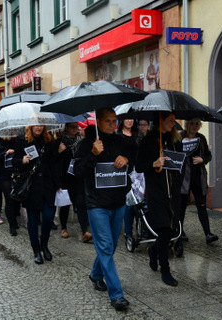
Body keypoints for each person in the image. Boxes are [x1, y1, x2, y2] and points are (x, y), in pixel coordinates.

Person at [74, 107, 131, 310]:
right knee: (106, 247)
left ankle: (96, 274)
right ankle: (116, 294)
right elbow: (78, 172)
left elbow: (131, 165)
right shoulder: (85, 145)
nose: (112, 124)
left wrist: (126, 161)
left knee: (112, 246)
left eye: (114, 120)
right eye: (107, 121)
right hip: (96, 204)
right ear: (97, 122)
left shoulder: (121, 141)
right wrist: (93, 154)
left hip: (118, 202)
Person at [136, 112, 182, 286]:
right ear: (160, 120)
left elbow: (180, 163)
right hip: (157, 193)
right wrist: (153, 164)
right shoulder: (148, 141)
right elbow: (139, 166)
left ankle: (154, 249)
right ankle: (166, 270)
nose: (173, 123)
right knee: (163, 230)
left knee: (171, 231)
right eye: (170, 120)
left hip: (174, 193)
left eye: (173, 119)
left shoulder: (176, 140)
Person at [11, 125, 59, 264]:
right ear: (30, 126)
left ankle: (44, 244)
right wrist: (22, 161)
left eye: (41, 125)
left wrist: (58, 184)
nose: (38, 127)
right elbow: (14, 160)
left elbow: (54, 163)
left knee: (49, 216)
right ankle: (36, 249)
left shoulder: (49, 140)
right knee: (32, 219)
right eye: (36, 124)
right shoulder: (22, 140)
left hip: (47, 185)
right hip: (31, 186)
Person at [179, 118, 218, 244]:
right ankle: (180, 232)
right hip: (183, 177)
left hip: (198, 177)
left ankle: (208, 234)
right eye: (191, 123)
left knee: (201, 205)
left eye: (197, 124)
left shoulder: (201, 138)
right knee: (181, 206)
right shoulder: (180, 137)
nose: (194, 126)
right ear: (187, 124)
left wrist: (203, 159)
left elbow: (208, 154)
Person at [52, 122, 92, 242]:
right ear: (67, 128)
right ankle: (63, 228)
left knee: (81, 203)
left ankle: (84, 230)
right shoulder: (60, 142)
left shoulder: (81, 141)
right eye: (72, 127)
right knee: (65, 204)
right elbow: (53, 161)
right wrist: (59, 152)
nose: (75, 129)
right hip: (64, 177)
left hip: (78, 176)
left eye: (77, 127)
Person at [116, 119, 140, 241]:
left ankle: (140, 228)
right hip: (124, 173)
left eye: (132, 119)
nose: (130, 121)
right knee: (129, 203)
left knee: (139, 202)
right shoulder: (117, 135)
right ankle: (128, 232)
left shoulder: (138, 134)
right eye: (127, 118)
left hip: (139, 173)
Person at [0, 137, 20, 235]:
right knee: (9, 199)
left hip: (17, 172)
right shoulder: (0, 142)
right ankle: (12, 225)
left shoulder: (18, 140)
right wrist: (5, 153)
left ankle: (15, 220)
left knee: (17, 198)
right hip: (4, 174)